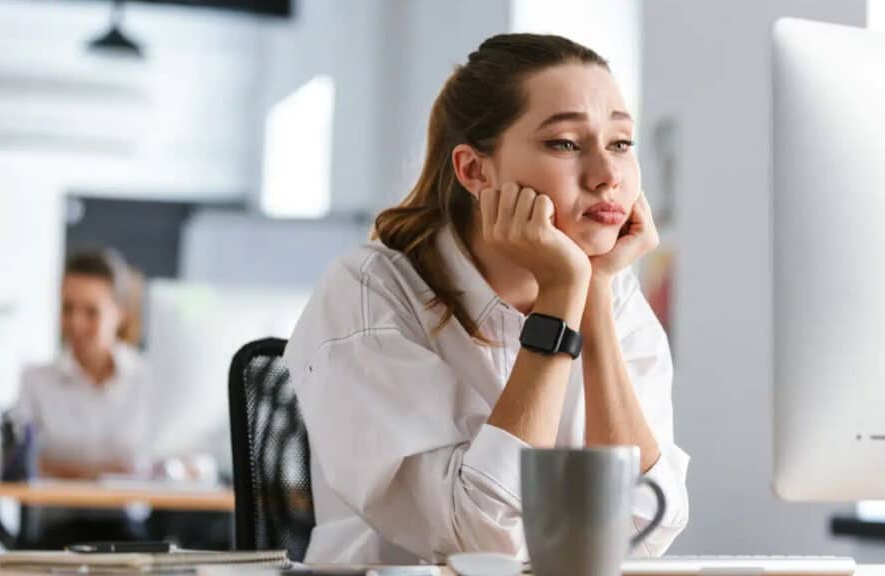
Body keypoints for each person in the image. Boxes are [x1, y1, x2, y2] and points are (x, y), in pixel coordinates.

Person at [285, 33, 689, 565]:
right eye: (565, 143)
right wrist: (560, 300)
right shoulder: (370, 293)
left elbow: (644, 524)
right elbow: (480, 541)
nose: (607, 176)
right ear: (476, 171)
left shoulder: (611, 294)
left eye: (619, 143)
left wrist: (591, 293)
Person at [8, 247, 153, 547]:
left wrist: (64, 470)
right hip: (55, 530)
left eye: (91, 311)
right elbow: (22, 463)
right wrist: (105, 475)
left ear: (120, 313)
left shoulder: (148, 379)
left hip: (130, 530)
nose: (75, 323)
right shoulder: (36, 380)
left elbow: (162, 463)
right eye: (67, 308)